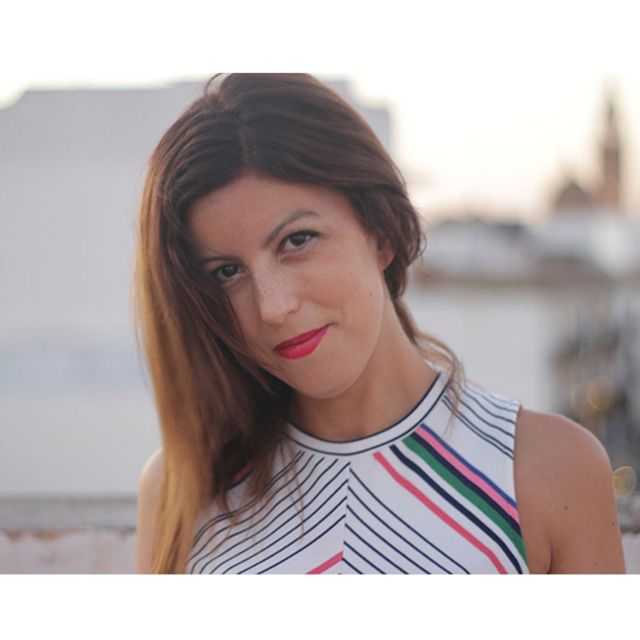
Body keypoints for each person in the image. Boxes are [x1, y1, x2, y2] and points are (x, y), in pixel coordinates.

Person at [134, 73, 626, 574]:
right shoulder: (183, 488)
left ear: (382, 232)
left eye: (297, 241)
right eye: (227, 272)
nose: (272, 307)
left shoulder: (550, 471)